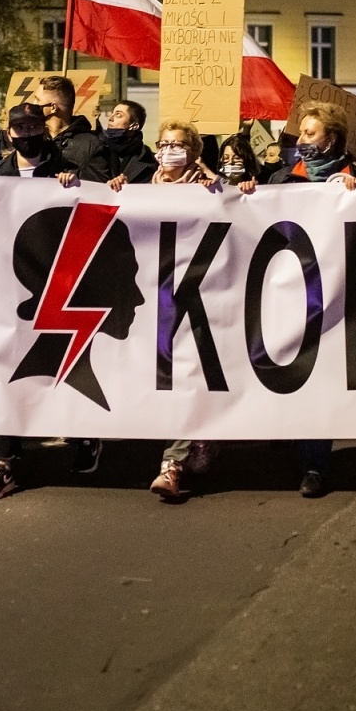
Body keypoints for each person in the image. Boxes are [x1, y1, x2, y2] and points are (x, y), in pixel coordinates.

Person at [0, 104, 83, 500]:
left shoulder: (66, 168)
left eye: (33, 125)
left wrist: (77, 184)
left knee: (67, 369)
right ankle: (3, 465)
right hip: (8, 291)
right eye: (19, 127)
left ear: (45, 128)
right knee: (9, 372)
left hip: (58, 289)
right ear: (10, 132)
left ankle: (84, 433)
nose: (26, 133)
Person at [256, 104, 356, 497]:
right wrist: (251, 192)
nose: (300, 141)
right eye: (301, 133)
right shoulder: (282, 179)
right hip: (286, 290)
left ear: (330, 139)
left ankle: (315, 465)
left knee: (319, 376)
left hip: (332, 293)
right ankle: (291, 441)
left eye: (310, 134)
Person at [143, 120, 235, 501]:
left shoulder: (207, 188)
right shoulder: (139, 188)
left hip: (198, 297)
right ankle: (199, 440)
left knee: (186, 376)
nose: (168, 150)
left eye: (178, 144)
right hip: (153, 299)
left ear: (194, 152)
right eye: (163, 143)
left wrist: (226, 189)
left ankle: (172, 464)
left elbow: (240, 214)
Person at [29, 74, 111, 181]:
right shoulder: (31, 138)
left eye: (37, 99)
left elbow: (99, 188)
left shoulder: (92, 146)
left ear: (53, 107)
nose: (33, 104)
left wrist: (74, 179)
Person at [99, 100, 157, 186]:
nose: (110, 118)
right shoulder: (97, 151)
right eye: (112, 113)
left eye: (118, 115)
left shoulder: (151, 162)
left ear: (134, 126)